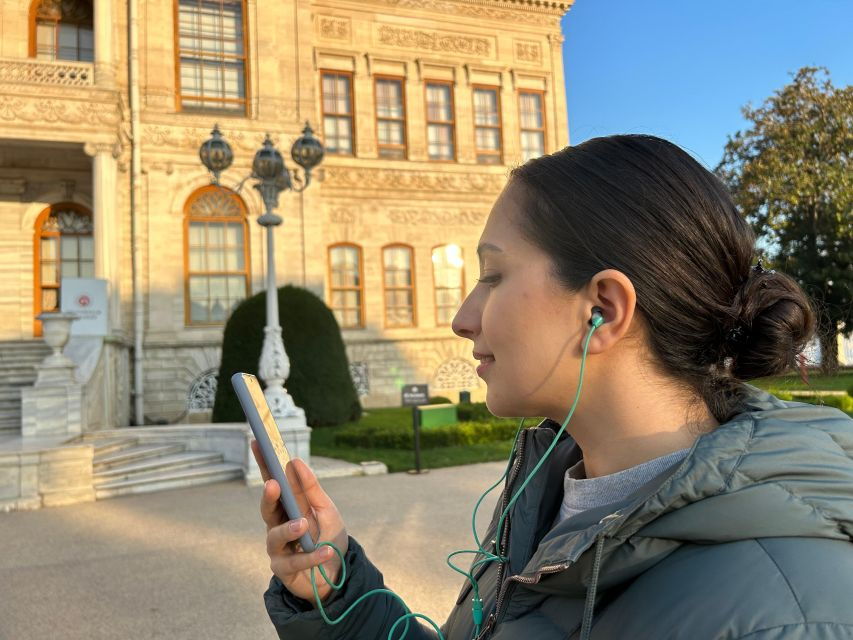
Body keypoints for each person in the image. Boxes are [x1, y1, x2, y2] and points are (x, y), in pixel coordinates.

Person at [251, 135, 853, 639]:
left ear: (603, 309)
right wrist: (336, 592)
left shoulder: (785, 617)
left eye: (493, 275)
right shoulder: (547, 501)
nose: (462, 318)